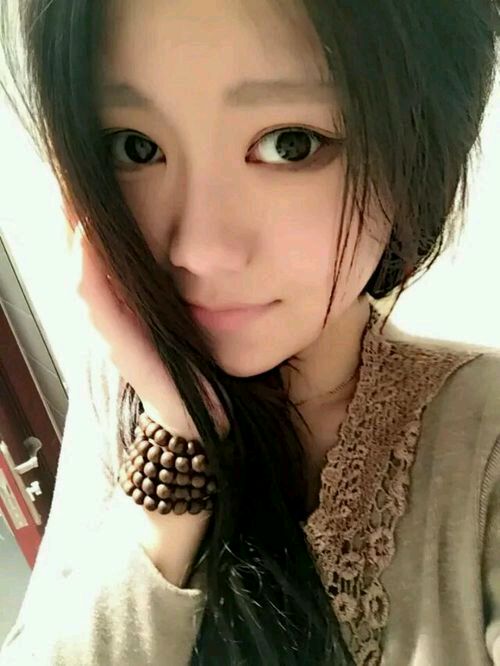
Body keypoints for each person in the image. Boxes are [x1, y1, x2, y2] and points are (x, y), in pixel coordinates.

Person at [0, 0, 499, 664]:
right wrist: (179, 439)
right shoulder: (123, 377)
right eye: (134, 147)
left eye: (290, 143)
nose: (198, 251)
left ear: (419, 153)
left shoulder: (482, 438)